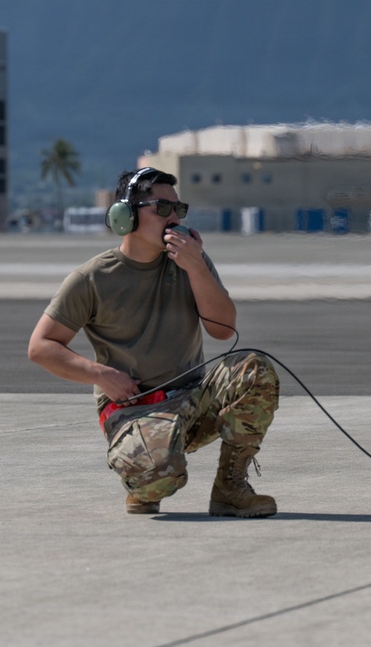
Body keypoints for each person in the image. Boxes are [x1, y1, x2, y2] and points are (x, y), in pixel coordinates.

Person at [27, 166, 280, 517]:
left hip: (191, 400)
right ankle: (143, 472)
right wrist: (100, 374)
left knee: (255, 369)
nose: (173, 218)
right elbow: (41, 347)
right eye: (162, 208)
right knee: (156, 482)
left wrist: (196, 268)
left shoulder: (190, 261)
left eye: (179, 209)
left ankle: (231, 486)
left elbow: (223, 329)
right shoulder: (92, 278)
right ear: (124, 215)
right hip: (133, 407)